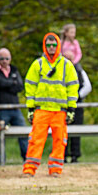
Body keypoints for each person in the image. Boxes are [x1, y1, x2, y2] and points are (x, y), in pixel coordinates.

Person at [23, 32, 78, 177]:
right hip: (41, 110)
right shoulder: (38, 64)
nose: (51, 47)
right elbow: (30, 86)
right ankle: (29, 169)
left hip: (60, 111)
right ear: (44, 46)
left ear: (58, 45)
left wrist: (71, 108)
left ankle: (55, 170)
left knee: (60, 141)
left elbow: (72, 87)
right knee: (35, 140)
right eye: (49, 45)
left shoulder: (67, 65)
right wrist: (30, 107)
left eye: (54, 45)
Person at [0, 47, 28, 162]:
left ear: (10, 59)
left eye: (7, 58)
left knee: (23, 132)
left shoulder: (14, 70)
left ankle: (27, 157)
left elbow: (20, 86)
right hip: (1, 108)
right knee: (1, 134)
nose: (4, 61)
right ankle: (1, 159)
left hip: (15, 108)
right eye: (2, 58)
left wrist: (8, 84)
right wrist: (12, 83)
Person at [62, 49, 91, 163]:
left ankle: (75, 155)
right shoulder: (58, 71)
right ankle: (62, 155)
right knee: (62, 131)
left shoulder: (79, 70)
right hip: (62, 105)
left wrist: (77, 96)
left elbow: (87, 86)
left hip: (76, 105)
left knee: (76, 130)